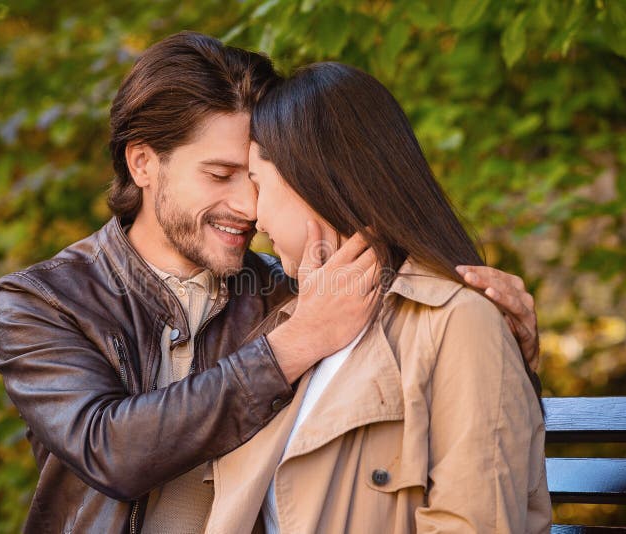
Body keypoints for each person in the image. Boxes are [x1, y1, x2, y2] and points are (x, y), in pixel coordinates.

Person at [0, 32, 542, 533]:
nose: (249, 206)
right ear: (143, 163)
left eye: (255, 176)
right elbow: (108, 448)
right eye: (220, 174)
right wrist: (293, 345)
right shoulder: (44, 300)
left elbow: (459, 428)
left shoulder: (294, 292)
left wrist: (498, 337)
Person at [204, 62, 551, 533]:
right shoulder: (289, 326)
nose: (256, 218)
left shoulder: (457, 323)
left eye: (259, 185)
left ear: (312, 179)